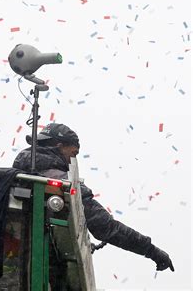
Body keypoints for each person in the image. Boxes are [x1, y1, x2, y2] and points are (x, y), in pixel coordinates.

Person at [12, 123, 174, 289]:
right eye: (73, 154)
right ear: (59, 146)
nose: (72, 160)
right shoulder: (63, 184)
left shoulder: (18, 172)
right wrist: (152, 251)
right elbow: (107, 227)